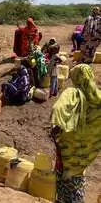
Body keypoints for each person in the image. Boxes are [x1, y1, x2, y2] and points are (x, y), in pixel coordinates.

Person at [51, 64, 101, 203]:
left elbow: (58, 108)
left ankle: (63, 199)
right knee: (77, 175)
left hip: (68, 147)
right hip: (86, 151)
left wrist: (56, 126)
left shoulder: (72, 92)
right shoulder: (97, 97)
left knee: (64, 177)